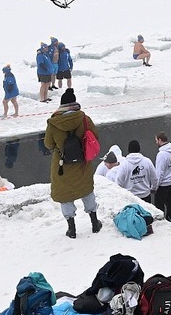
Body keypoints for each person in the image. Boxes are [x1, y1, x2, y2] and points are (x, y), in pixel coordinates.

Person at [43, 89, 102, 238]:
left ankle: (72, 229)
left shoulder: (53, 123)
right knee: (87, 190)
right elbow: (94, 136)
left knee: (65, 195)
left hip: (63, 166)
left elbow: (48, 144)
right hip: (83, 164)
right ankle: (95, 223)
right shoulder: (84, 119)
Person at [116, 139, 158, 203]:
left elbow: (118, 182)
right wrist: (153, 188)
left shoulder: (124, 164)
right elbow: (155, 178)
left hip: (130, 198)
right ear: (139, 149)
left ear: (129, 150)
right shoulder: (147, 161)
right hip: (145, 197)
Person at [154, 131, 171, 221]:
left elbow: (159, 172)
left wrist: (155, 186)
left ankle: (161, 222)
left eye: (156, 140)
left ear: (160, 140)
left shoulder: (161, 154)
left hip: (163, 184)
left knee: (159, 206)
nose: (156, 142)